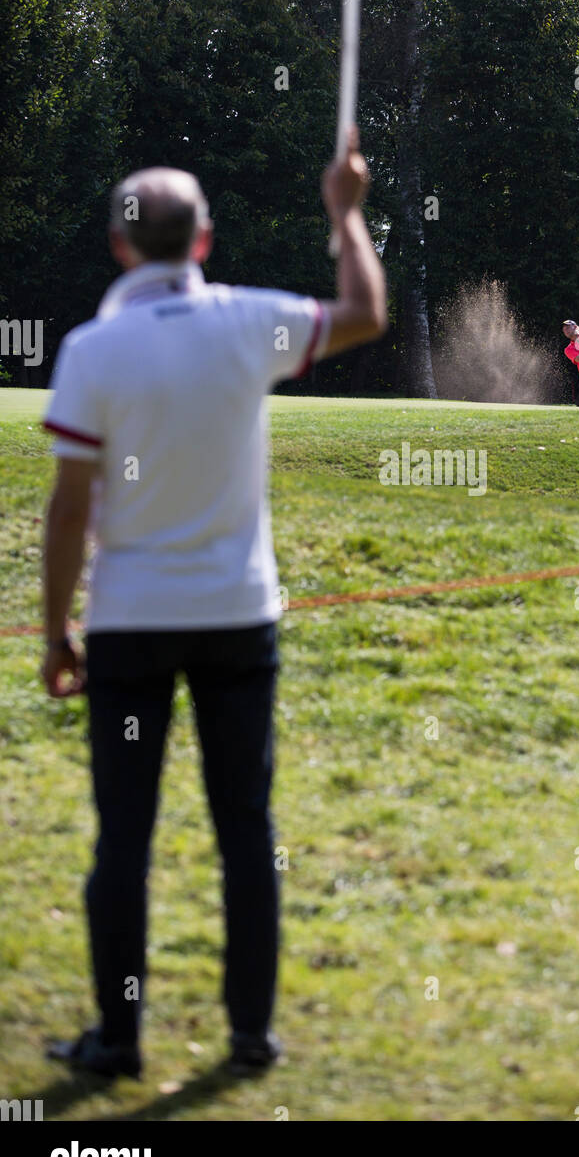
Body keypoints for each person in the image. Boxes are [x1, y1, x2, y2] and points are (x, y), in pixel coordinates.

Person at [40, 126, 386, 1078]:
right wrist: (345, 215)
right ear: (204, 241)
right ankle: (248, 1036)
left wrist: (54, 632)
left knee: (126, 838)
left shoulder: (90, 349)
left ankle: (118, 1039)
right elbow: (364, 310)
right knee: (246, 831)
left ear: (118, 245)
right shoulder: (247, 321)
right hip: (238, 618)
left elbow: (69, 511)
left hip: (129, 625)